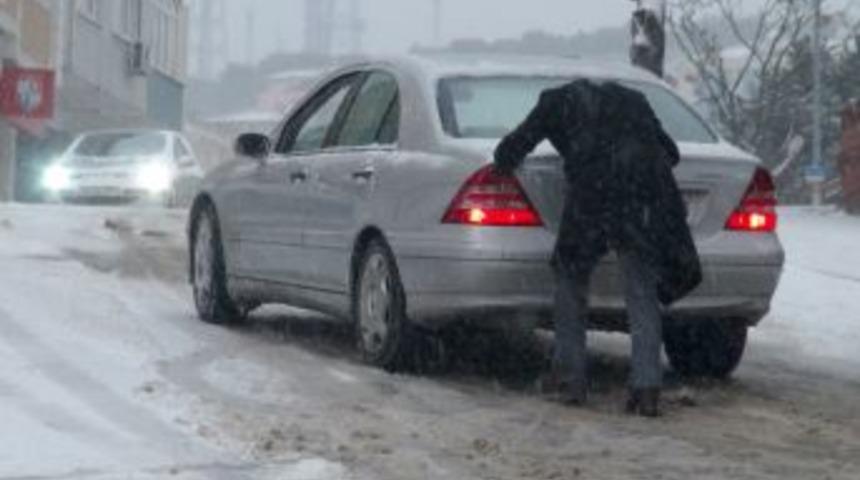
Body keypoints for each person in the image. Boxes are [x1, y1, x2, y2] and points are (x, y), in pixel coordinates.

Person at [493, 79, 702, 417]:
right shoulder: (634, 100)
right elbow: (671, 153)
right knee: (641, 289)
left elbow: (511, 149)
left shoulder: (553, 102)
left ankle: (570, 379)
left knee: (570, 276)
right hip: (641, 198)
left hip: (593, 195)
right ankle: (646, 388)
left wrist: (505, 163)